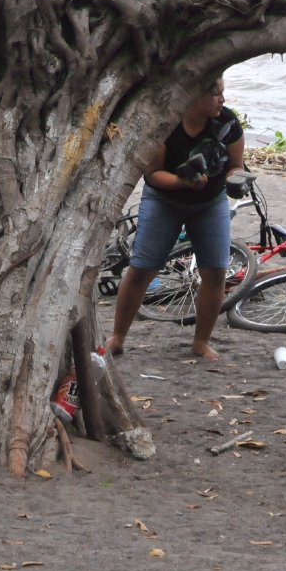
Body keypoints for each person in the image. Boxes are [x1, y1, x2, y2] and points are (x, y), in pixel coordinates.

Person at [107, 78, 243, 361]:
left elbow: (235, 165)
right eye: (216, 93)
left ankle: (200, 342)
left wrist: (235, 181)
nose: (223, 100)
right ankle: (118, 336)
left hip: (210, 202)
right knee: (142, 268)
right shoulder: (166, 124)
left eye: (223, 93)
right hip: (164, 200)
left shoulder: (227, 123)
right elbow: (152, 174)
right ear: (194, 95)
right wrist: (184, 182)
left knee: (216, 271)